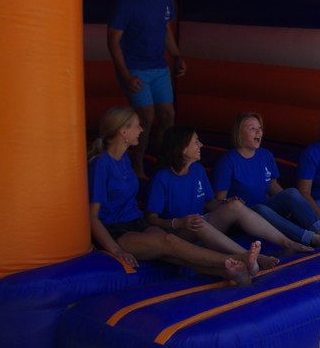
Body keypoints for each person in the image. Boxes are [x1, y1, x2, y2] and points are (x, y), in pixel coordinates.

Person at [88, 106, 261, 286]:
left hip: (137, 221)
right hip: (116, 230)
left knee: (172, 249)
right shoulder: (100, 165)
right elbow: (92, 217)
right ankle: (237, 259)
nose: (141, 130)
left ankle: (234, 273)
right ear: (123, 132)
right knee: (168, 241)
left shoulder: (124, 158)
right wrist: (116, 250)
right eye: (137, 126)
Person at [145, 125, 315, 267]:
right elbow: (151, 219)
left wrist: (225, 203)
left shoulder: (197, 170)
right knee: (199, 223)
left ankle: (288, 243)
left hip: (201, 226)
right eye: (196, 141)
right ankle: (253, 257)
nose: (201, 145)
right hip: (179, 234)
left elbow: (209, 203)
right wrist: (178, 222)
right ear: (182, 148)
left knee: (235, 206)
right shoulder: (162, 178)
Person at [213, 112, 320, 249]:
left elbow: (273, 185)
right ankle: (311, 238)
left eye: (260, 128)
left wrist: (289, 203)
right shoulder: (228, 161)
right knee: (260, 209)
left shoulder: (265, 155)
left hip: (266, 208)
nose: (258, 132)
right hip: (243, 217)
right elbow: (219, 200)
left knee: (291, 192)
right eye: (252, 129)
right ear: (239, 133)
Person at [107, 0, 186, 179]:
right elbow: (113, 40)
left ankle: (163, 162)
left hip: (159, 66)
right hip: (135, 68)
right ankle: (137, 163)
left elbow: (165, 29)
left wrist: (177, 55)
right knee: (147, 117)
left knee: (168, 114)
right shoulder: (128, 1)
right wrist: (125, 74)